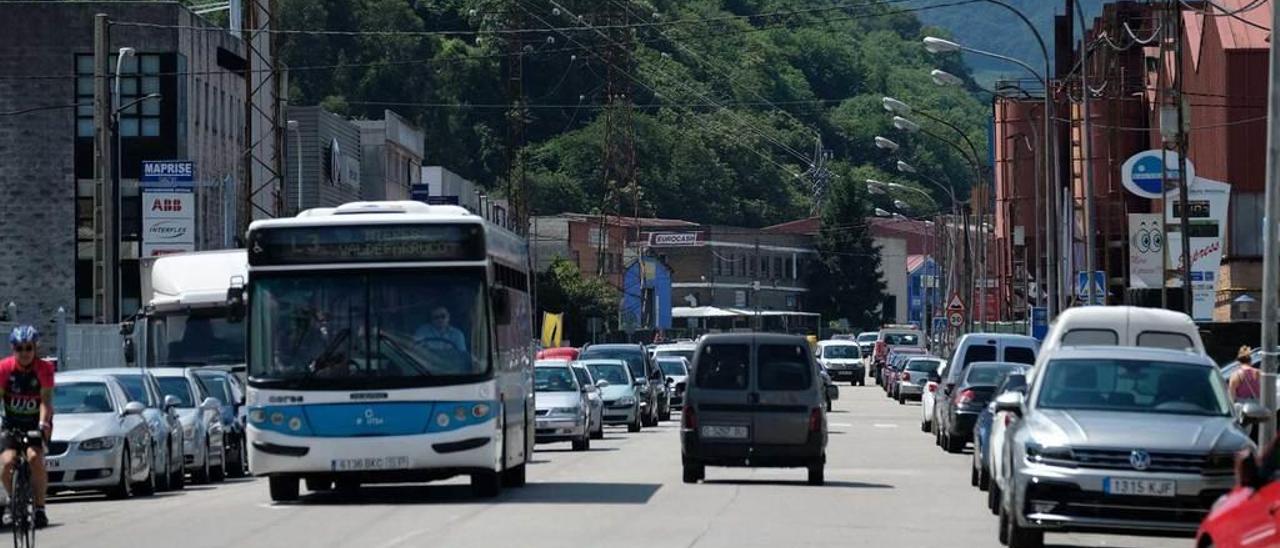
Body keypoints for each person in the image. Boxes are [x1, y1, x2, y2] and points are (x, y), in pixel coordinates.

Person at [0, 326, 54, 528]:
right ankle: (12, 502)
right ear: (13, 349)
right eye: (20, 348)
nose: (24, 353)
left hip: (35, 420)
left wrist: (42, 423)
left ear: (35, 349)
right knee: (6, 463)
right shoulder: (4, 368)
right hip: (11, 422)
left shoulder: (44, 369)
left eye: (28, 348)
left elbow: (45, 401)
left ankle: (40, 508)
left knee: (34, 458)